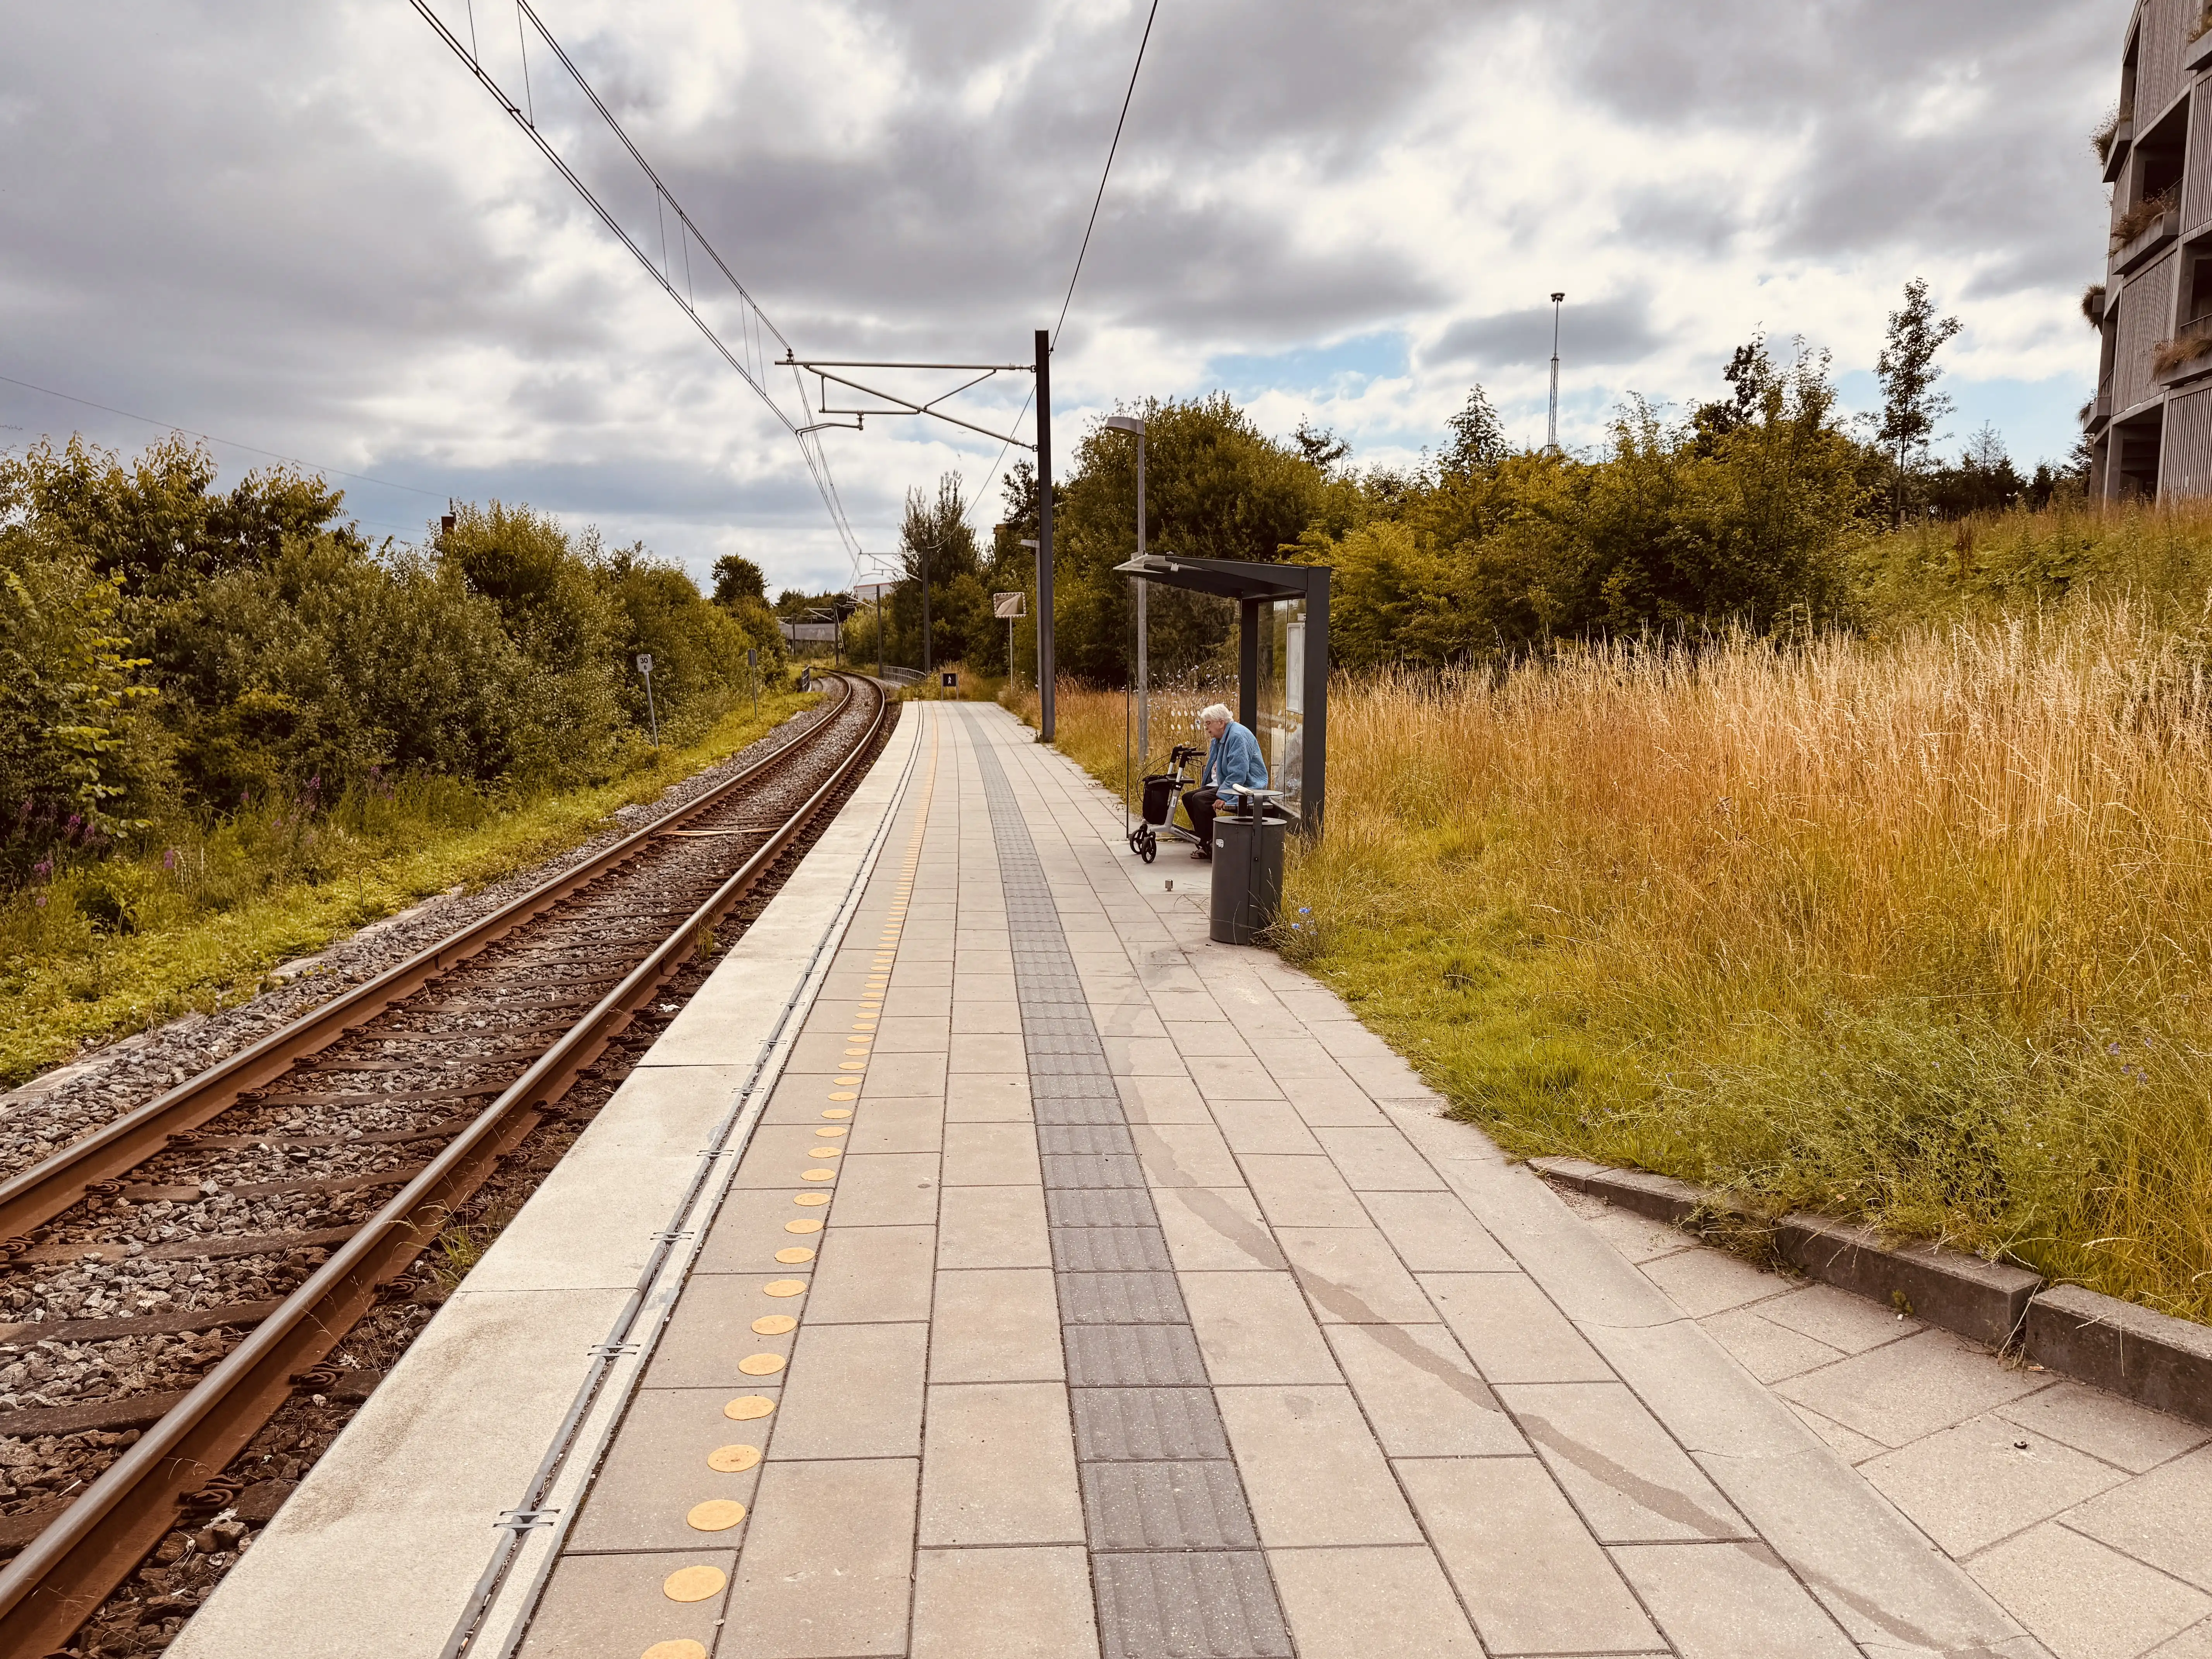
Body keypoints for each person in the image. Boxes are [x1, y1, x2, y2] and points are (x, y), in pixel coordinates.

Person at [1182, 703, 1267, 860]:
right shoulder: (1220, 736)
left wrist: (1225, 796)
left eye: (1209, 724)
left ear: (1221, 723)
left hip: (1246, 786)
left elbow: (1239, 774)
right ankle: (1206, 842)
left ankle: (1215, 846)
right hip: (1226, 783)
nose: (1206, 728)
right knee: (1188, 797)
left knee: (1200, 800)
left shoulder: (1237, 736)